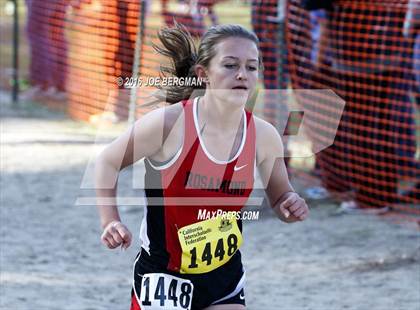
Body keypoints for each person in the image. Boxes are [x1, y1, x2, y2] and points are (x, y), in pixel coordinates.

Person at [95, 23, 309, 310]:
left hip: (223, 275)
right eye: (230, 65)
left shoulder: (263, 135)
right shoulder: (170, 125)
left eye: (251, 67)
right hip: (165, 275)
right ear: (203, 74)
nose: (242, 75)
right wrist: (110, 220)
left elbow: (281, 197)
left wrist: (289, 204)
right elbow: (107, 161)